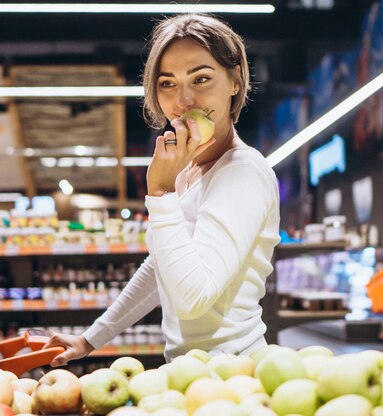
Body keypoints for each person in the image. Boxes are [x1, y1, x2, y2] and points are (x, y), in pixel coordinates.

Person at [45, 13, 280, 366]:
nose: (183, 100)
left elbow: (192, 298)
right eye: (167, 83)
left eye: (201, 78)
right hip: (190, 372)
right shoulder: (187, 172)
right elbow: (161, 270)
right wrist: (91, 338)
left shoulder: (241, 171)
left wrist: (159, 194)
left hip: (233, 374)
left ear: (235, 81)